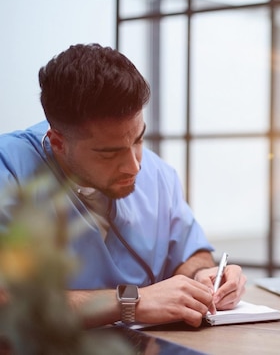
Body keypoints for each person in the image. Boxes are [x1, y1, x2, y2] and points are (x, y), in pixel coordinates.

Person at [0, 43, 246, 329]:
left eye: (138, 139)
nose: (134, 166)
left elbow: (192, 254)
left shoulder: (158, 174)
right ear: (57, 143)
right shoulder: (10, 172)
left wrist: (202, 276)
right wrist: (131, 302)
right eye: (109, 153)